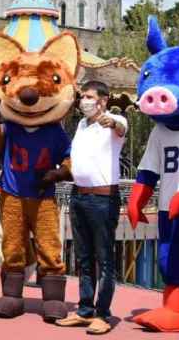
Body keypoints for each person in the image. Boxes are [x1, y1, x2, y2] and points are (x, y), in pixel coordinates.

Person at [56, 81, 128, 335]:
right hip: (79, 196)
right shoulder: (81, 125)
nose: (83, 101)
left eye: (89, 97)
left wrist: (111, 122)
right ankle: (85, 309)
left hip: (103, 198)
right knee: (83, 257)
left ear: (103, 100)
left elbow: (120, 128)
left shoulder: (114, 121)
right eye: (82, 97)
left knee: (104, 257)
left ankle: (103, 313)